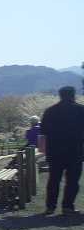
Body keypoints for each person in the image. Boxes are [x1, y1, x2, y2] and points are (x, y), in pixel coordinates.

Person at [41, 86, 84, 215]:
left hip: (54, 151)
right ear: (73, 95)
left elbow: (43, 132)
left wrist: (44, 151)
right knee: (72, 181)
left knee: (53, 179)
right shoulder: (81, 110)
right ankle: (68, 207)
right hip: (75, 151)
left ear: (60, 95)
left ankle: (50, 207)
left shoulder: (50, 111)